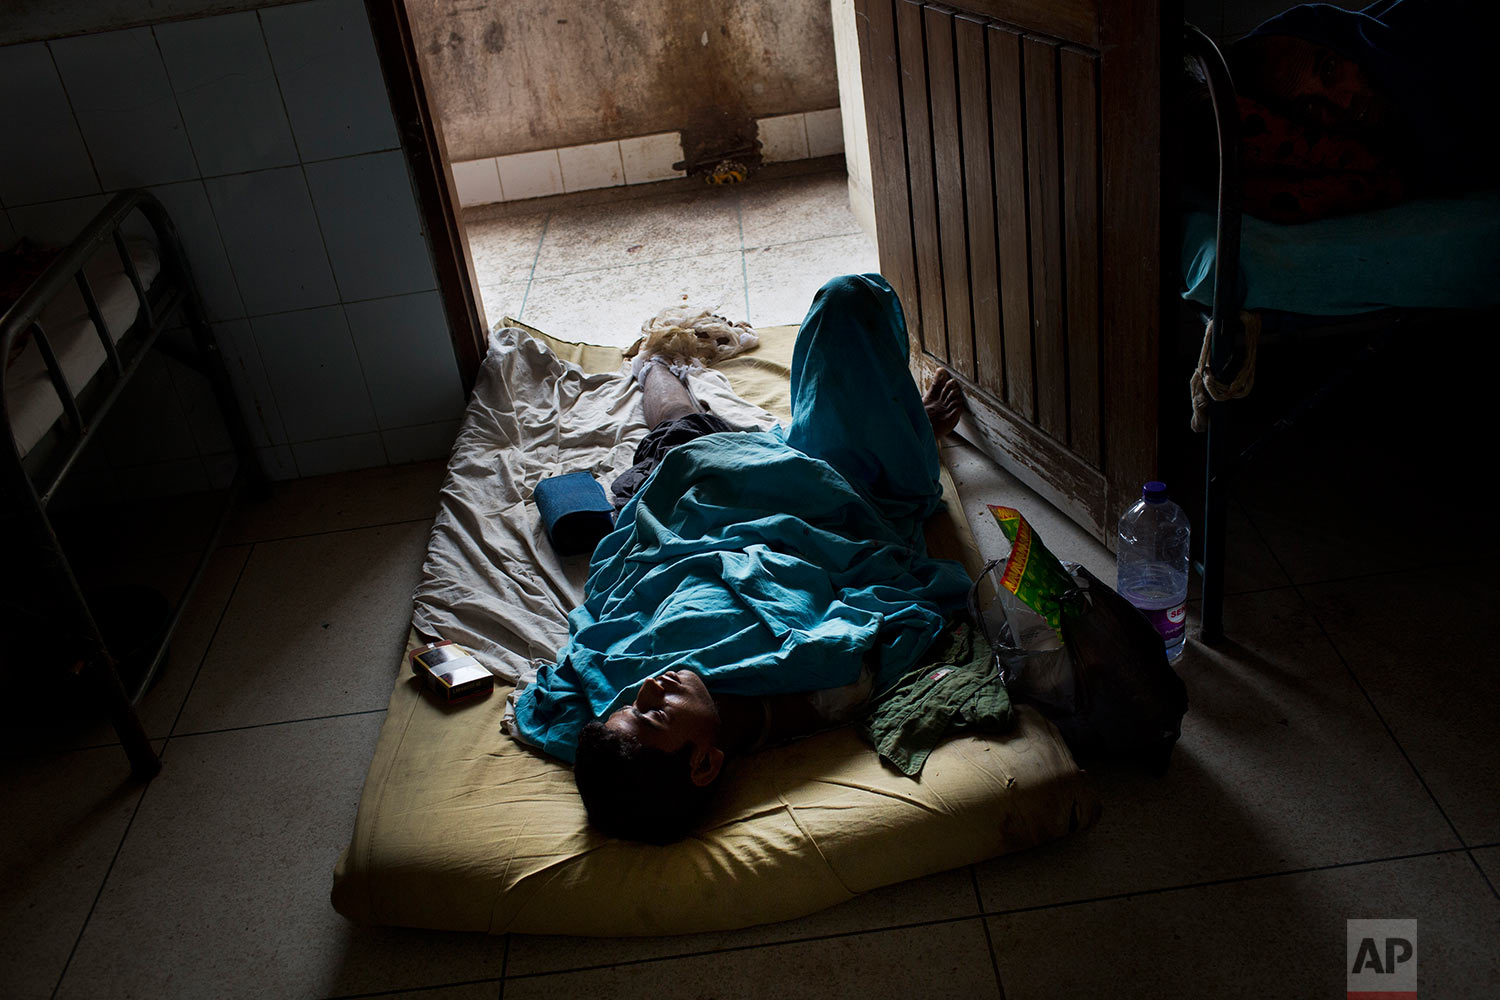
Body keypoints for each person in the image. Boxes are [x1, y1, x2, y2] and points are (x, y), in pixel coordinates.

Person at [507, 274, 969, 843]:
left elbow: (545, 707)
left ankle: (652, 362)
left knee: (680, 440)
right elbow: (901, 603)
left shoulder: (612, 720)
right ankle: (903, 432)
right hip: (834, 495)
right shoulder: (825, 686)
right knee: (848, 302)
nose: (649, 687)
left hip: (695, 502)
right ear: (704, 763)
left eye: (627, 704)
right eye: (655, 713)